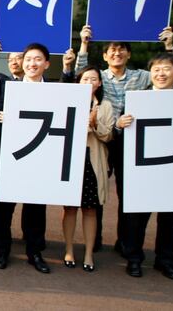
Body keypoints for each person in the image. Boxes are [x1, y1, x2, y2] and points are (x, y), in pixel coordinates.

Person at [75, 24, 173, 253]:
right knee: (96, 188)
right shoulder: (99, 76)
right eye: (112, 50)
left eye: (121, 50)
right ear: (105, 55)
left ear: (128, 54)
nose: (116, 53)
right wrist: (83, 43)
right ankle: (95, 239)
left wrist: (169, 46)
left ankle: (125, 242)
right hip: (101, 139)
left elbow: (167, 73)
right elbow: (82, 74)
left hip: (130, 140)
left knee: (126, 193)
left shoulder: (142, 76)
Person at [115, 52, 173, 280]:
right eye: (156, 69)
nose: (161, 74)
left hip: (172, 169)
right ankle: (134, 259)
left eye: (166, 69)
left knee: (169, 218)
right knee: (137, 218)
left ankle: (166, 261)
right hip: (143, 168)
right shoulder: (137, 99)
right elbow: (119, 133)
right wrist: (119, 124)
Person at [0, 43, 61, 274]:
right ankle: (2, 248)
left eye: (38, 59)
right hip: (11, 156)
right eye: (28, 59)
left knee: (36, 206)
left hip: (40, 157)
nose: (32, 63)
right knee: (3, 206)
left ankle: (34, 252)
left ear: (47, 64)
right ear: (22, 63)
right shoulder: (9, 88)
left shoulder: (57, 91)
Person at [61, 66, 113, 272]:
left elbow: (108, 135)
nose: (89, 82)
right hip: (70, 160)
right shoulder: (67, 101)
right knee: (70, 208)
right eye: (85, 79)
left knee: (91, 209)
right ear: (78, 82)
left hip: (93, 161)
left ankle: (89, 253)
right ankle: (69, 249)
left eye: (93, 79)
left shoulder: (106, 106)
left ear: (99, 83)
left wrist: (94, 124)